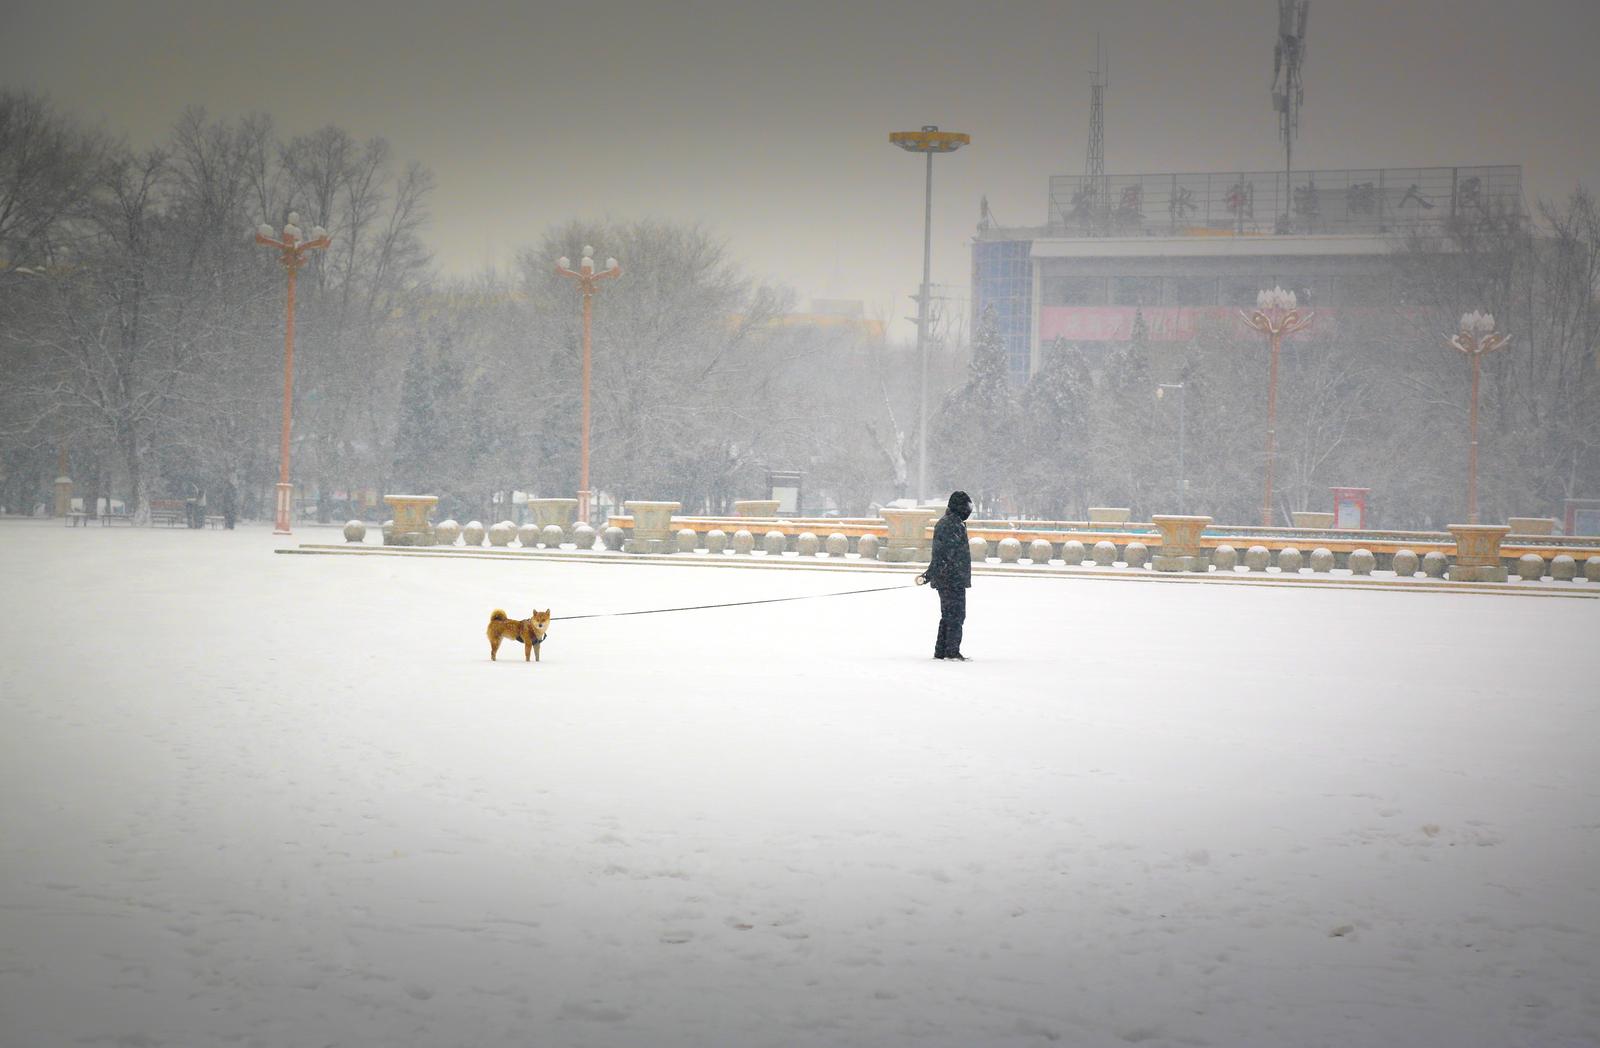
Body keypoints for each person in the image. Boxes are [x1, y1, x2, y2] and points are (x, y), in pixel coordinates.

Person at [916, 490, 973, 661]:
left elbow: (941, 555)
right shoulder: (952, 524)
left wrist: (930, 575)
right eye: (967, 506)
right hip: (951, 578)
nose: (969, 510)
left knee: (948, 615)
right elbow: (945, 555)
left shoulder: (949, 522)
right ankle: (951, 651)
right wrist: (930, 575)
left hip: (948, 577)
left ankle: (942, 650)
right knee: (955, 615)